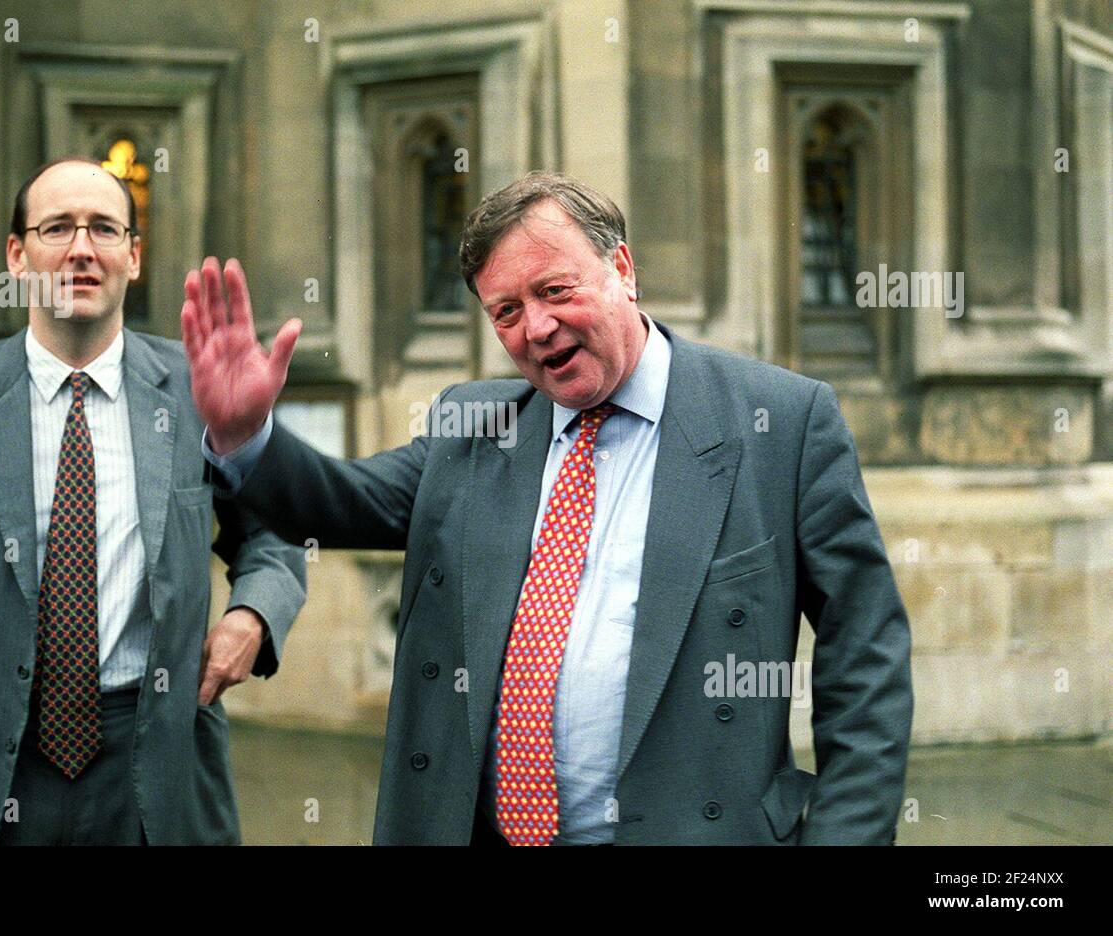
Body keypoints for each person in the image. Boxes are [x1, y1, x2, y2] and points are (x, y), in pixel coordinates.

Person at [184, 171, 913, 845]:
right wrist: (248, 437)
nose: (535, 328)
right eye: (506, 311)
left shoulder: (778, 422)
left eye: (555, 291)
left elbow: (866, 657)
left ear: (622, 270)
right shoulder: (471, 427)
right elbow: (339, 505)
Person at [0, 157, 306, 845]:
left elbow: (274, 533)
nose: (81, 249)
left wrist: (253, 613)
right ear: (17, 254)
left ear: (133, 253)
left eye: (103, 229)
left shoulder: (198, 391)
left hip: (153, 756)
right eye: (57, 227)